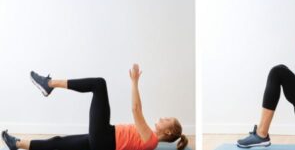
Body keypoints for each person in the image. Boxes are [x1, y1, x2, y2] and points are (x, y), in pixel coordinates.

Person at [2, 64, 188, 150]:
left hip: (105, 138)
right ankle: (17, 144)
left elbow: (136, 110)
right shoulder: (150, 138)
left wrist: (134, 82)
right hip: (102, 140)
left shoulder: (151, 140)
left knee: (99, 84)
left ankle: (49, 84)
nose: (162, 118)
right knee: (58, 142)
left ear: (169, 132)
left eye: (167, 120)